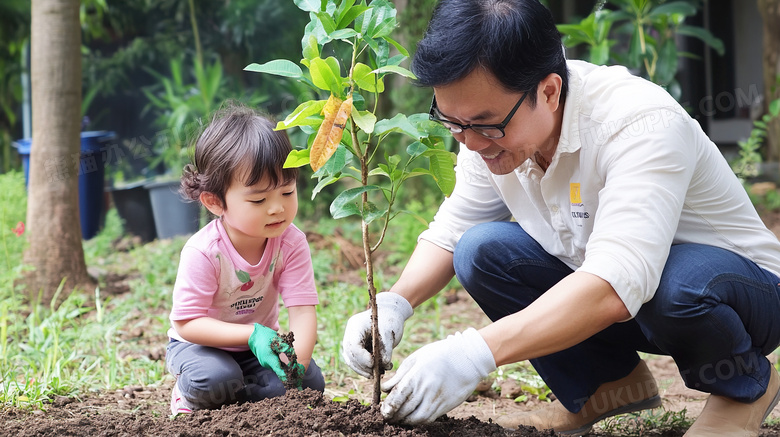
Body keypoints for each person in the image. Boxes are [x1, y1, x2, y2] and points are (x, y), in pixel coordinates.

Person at [340, 0, 780, 435]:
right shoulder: (485, 130)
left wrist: (472, 354)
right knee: (481, 251)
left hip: (740, 295)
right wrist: (392, 305)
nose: (470, 142)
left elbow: (614, 283)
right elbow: (453, 231)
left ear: (549, 91)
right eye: (452, 122)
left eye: (484, 124)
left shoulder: (640, 124)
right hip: (634, 304)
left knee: (675, 281)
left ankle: (741, 389)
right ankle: (605, 387)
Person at [165, 103, 325, 416]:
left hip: (259, 352)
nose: (277, 208)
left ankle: (240, 404)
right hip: (201, 346)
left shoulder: (291, 242)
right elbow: (187, 323)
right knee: (215, 379)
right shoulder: (204, 251)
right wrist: (251, 334)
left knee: (311, 383)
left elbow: (303, 312)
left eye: (287, 192)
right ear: (215, 201)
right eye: (259, 199)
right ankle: (189, 397)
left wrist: (297, 369)